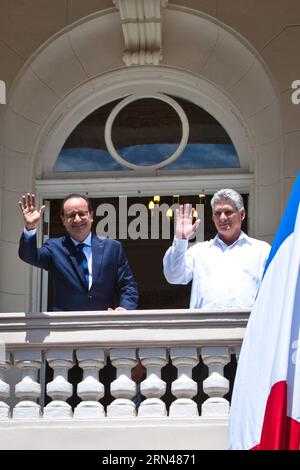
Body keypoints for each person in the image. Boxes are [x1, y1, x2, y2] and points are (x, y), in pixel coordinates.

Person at [18, 193, 139, 311]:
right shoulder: (54, 247)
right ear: (63, 220)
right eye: (71, 215)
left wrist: (124, 309)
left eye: (81, 213)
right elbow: (29, 256)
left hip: (104, 324)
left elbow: (128, 285)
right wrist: (30, 227)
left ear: (91, 216)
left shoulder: (112, 248)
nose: (77, 219)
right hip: (66, 326)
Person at [163, 189, 271, 310]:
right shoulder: (199, 251)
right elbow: (174, 276)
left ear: (242, 214)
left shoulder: (262, 250)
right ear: (213, 218)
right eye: (218, 213)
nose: (222, 217)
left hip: (249, 325)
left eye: (228, 212)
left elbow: (275, 290)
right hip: (206, 327)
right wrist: (181, 240)